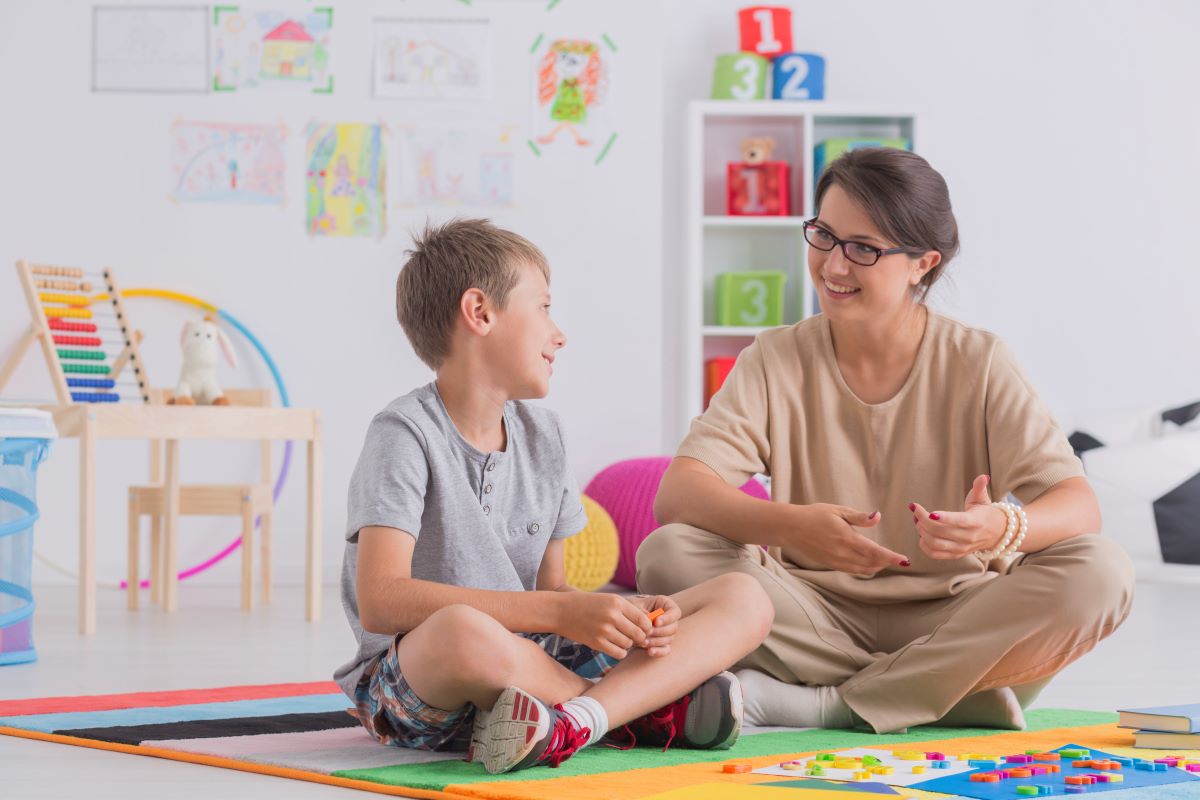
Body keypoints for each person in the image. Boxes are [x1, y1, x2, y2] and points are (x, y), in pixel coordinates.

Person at [638, 148, 1134, 735]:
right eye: (823, 235)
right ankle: (943, 694)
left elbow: (1079, 505)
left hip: (953, 615)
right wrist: (791, 526)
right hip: (809, 610)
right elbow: (680, 494)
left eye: (864, 249)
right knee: (668, 552)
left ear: (923, 263)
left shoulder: (980, 362)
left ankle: (832, 705)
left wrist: (1004, 527)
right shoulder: (775, 357)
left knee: (1101, 571)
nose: (833, 265)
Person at [334, 218, 774, 774]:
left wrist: (620, 615)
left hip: (533, 667)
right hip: (420, 685)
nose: (558, 333)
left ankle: (577, 721)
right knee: (461, 628)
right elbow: (382, 600)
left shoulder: (547, 436)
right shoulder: (403, 434)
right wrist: (562, 610)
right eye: (543, 308)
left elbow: (554, 591)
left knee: (745, 593)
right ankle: (631, 712)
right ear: (481, 313)